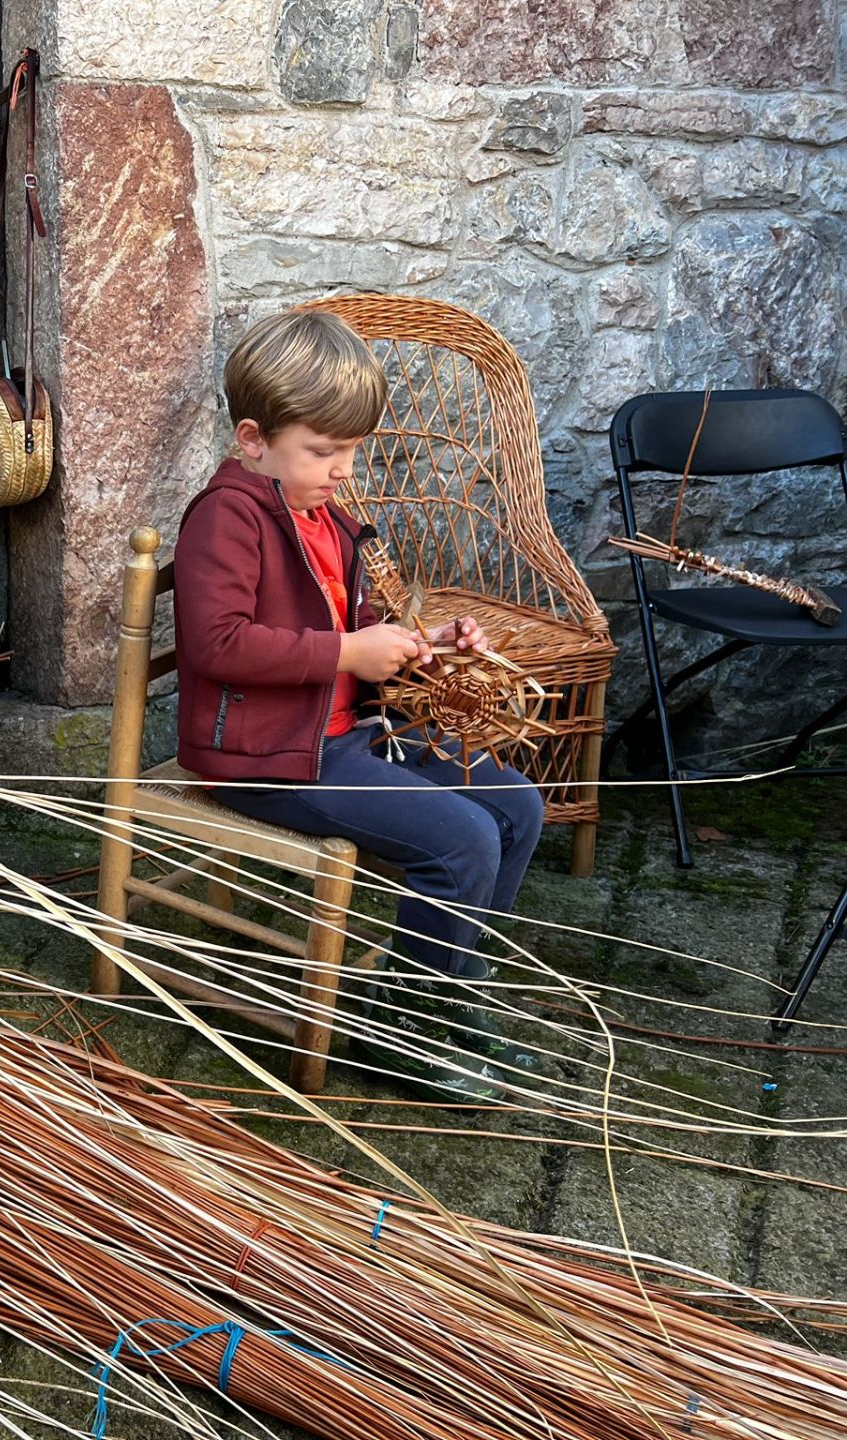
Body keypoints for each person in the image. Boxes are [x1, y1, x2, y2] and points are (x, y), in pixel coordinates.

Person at [172, 310, 544, 1100]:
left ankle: (445, 985)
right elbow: (218, 644)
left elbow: (352, 630)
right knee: (464, 841)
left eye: (351, 451)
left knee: (515, 804)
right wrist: (347, 653)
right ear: (252, 439)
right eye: (324, 451)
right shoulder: (226, 518)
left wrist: (423, 644)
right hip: (265, 758)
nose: (344, 469)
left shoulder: (323, 516)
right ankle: (391, 1032)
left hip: (343, 738)